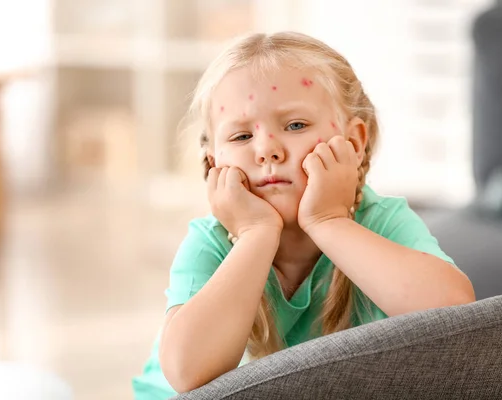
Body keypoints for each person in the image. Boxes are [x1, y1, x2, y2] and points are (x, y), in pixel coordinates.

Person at [133, 31, 476, 400]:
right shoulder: (211, 241)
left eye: (295, 125)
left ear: (354, 142)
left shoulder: (381, 221)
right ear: (216, 162)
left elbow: (457, 319)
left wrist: (330, 222)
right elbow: (187, 373)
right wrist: (256, 234)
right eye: (241, 136)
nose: (266, 150)